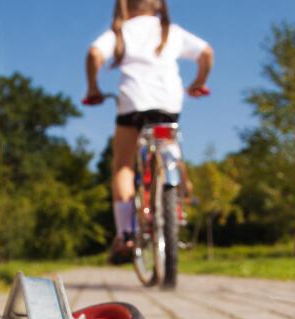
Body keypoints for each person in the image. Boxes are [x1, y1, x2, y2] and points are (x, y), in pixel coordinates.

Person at [85, 0, 213, 263]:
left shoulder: (121, 31)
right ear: (156, 6)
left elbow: (94, 54)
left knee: (122, 166)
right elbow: (206, 53)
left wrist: (93, 88)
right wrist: (199, 83)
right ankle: (175, 192)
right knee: (169, 144)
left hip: (133, 104)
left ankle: (126, 233)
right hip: (168, 103)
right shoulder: (170, 31)